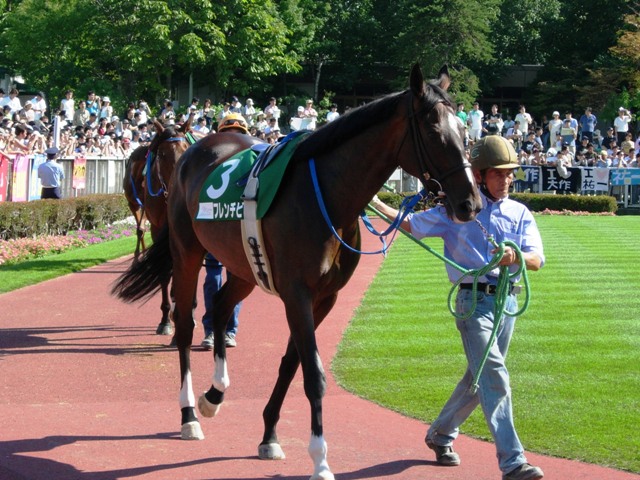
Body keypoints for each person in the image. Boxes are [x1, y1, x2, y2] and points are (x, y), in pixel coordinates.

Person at [370, 135, 545, 480]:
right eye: (499, 174)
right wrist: (372, 200)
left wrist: (515, 256)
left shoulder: (520, 212)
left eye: (510, 174)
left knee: (477, 380)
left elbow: (536, 259)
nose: (507, 180)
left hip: (506, 301)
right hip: (472, 303)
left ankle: (440, 434)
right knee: (494, 374)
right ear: (479, 175)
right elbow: (408, 224)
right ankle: (513, 463)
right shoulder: (456, 209)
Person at [200, 113, 248, 350]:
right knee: (213, 279)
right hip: (216, 232)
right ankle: (210, 330)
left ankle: (230, 330)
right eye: (228, 134)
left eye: (238, 134)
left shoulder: (253, 161)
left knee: (237, 281)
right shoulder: (210, 164)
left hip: (239, 232)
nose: (233, 139)